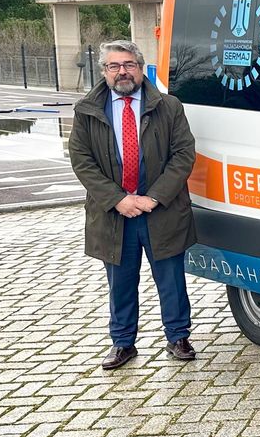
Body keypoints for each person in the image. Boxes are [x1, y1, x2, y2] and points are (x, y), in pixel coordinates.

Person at [69, 40, 197, 370]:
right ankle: (123, 343)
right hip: (115, 213)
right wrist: (119, 200)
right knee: (121, 283)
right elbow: (82, 161)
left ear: (140, 68)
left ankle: (178, 337)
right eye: (114, 66)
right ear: (104, 72)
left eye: (129, 65)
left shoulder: (169, 106)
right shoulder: (87, 110)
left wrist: (154, 197)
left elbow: (183, 155)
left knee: (171, 280)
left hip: (161, 209)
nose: (122, 71)